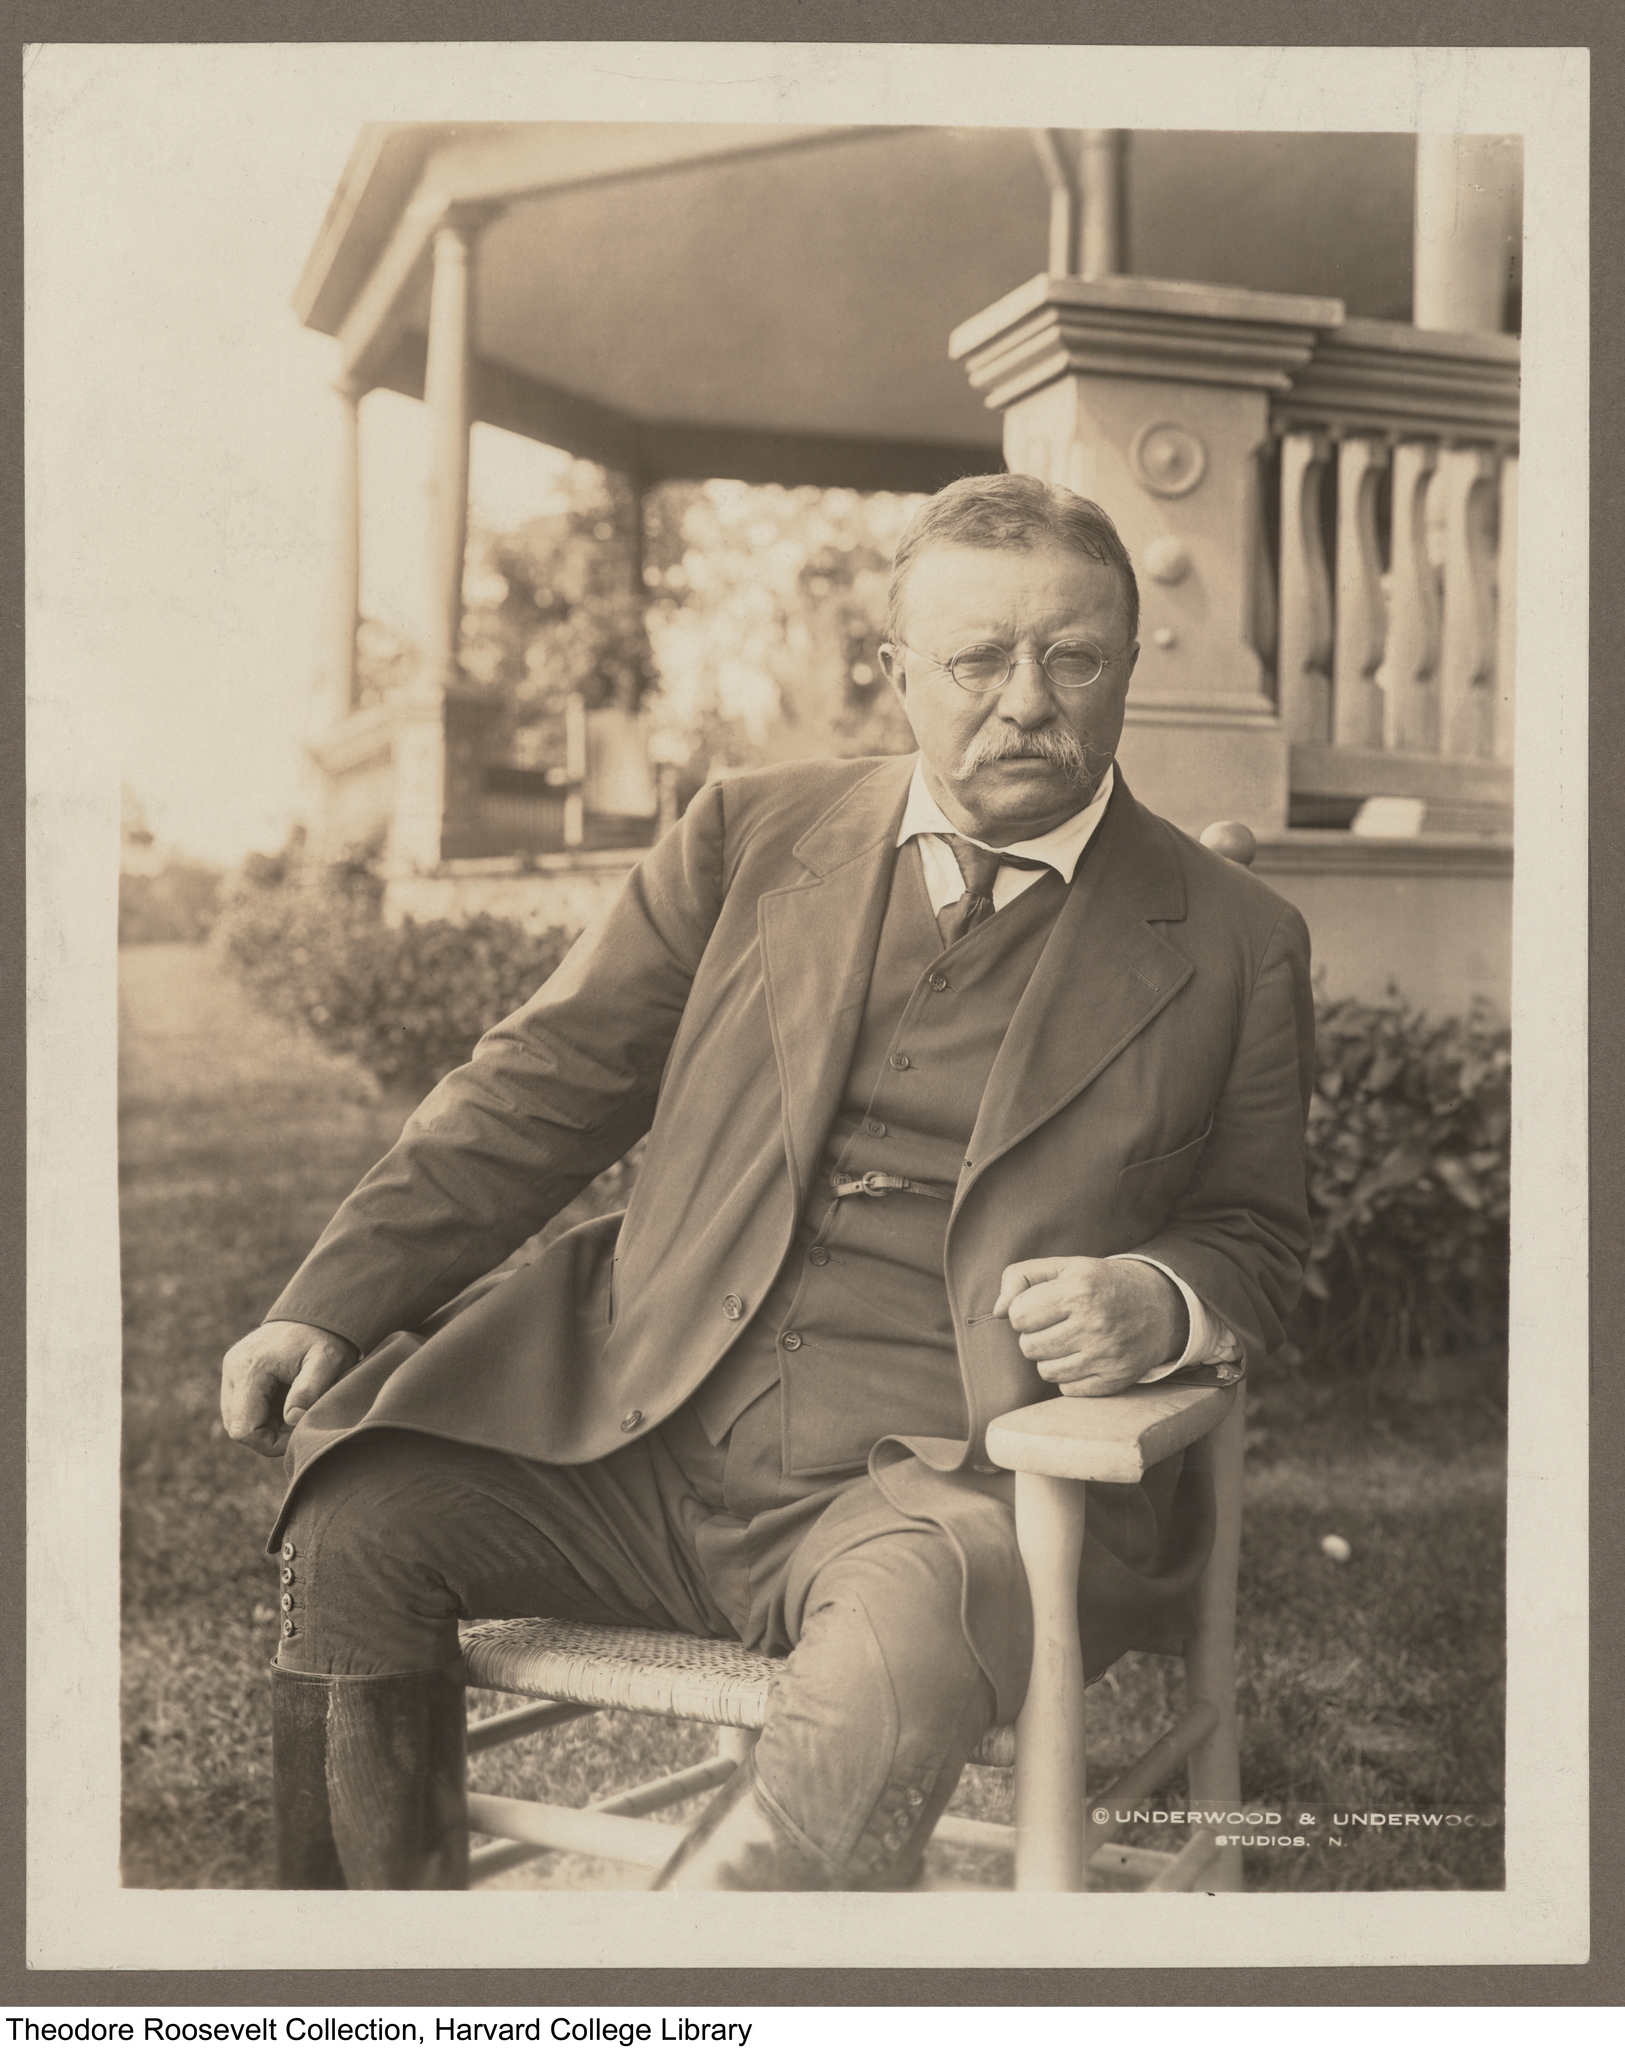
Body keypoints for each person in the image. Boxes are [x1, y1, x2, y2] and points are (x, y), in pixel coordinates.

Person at [220, 473, 1315, 1892]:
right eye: (977, 660)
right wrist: (334, 1303)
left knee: (916, 1637)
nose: (1027, 701)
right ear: (897, 676)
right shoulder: (753, 831)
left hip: (943, 1483)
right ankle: (372, 1985)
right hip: (637, 1432)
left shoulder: (1231, 938)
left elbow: (1257, 1238)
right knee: (359, 1520)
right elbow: (539, 1083)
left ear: (1126, 665)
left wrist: (1159, 1304)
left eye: (1074, 656)